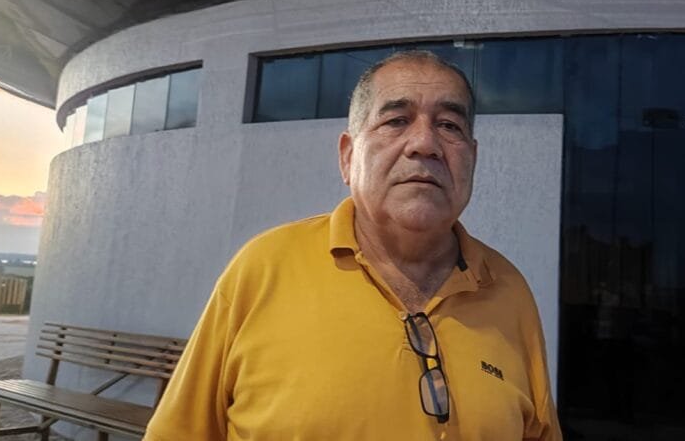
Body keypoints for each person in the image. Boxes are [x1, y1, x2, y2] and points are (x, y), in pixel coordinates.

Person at [144, 50, 560, 440]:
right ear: (347, 157)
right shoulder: (263, 269)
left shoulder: (509, 291)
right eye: (396, 120)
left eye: (449, 126)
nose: (425, 144)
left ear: (473, 158)